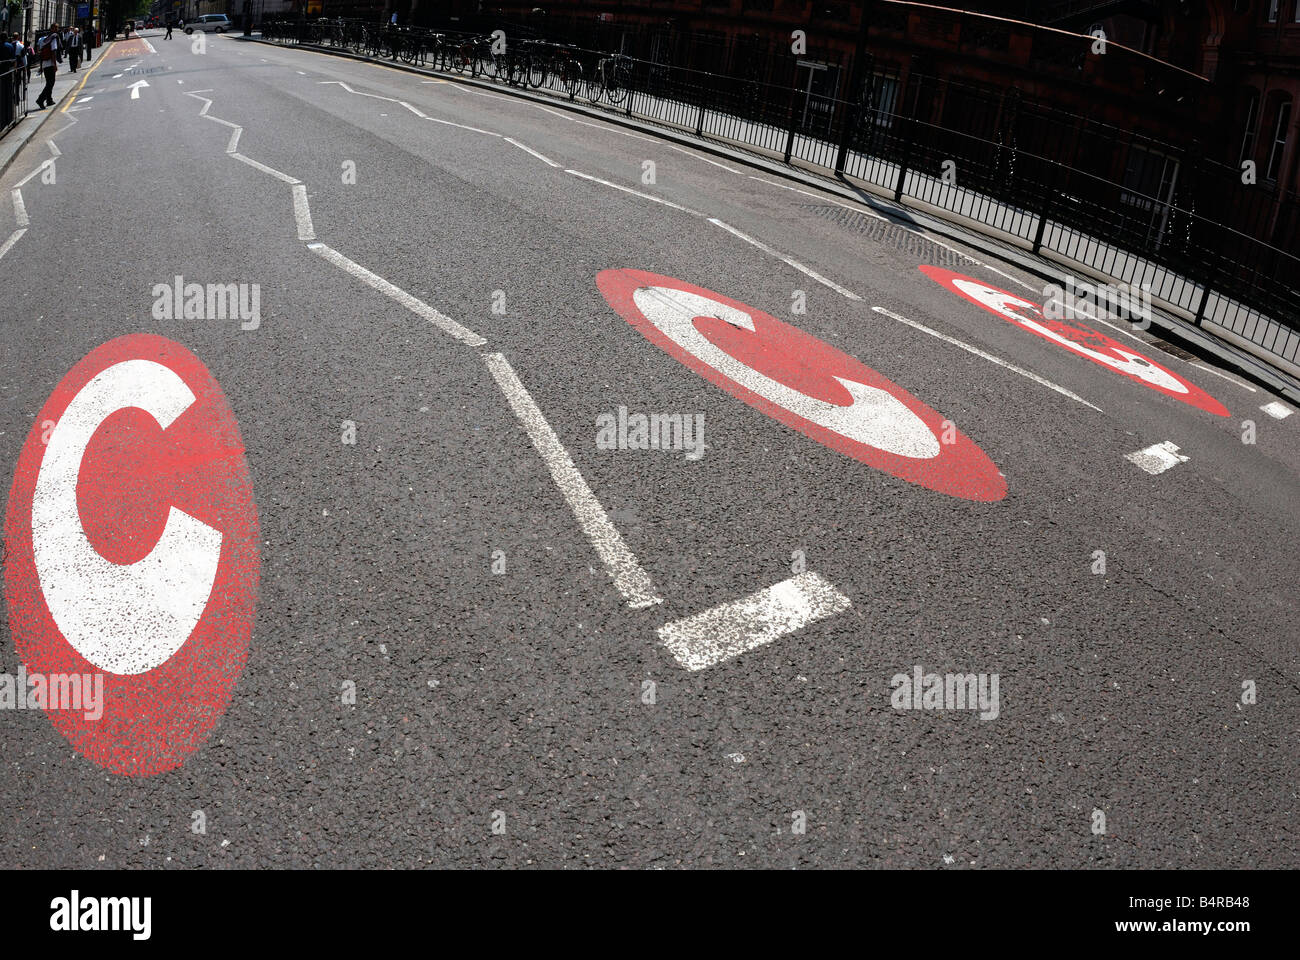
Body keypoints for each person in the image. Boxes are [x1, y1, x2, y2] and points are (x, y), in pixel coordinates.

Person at [34, 25, 58, 109]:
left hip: (44, 63)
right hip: (50, 63)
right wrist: (55, 65)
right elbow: (53, 53)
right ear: (52, 29)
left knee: (48, 82)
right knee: (51, 83)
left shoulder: (44, 39)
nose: (57, 30)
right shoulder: (53, 38)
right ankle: (40, 99)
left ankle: (49, 100)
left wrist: (41, 66)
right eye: (56, 28)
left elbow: (40, 52)